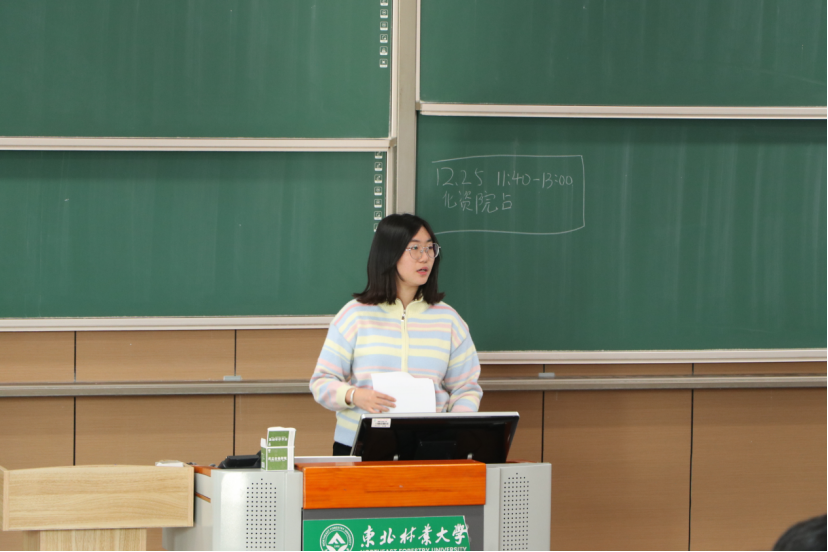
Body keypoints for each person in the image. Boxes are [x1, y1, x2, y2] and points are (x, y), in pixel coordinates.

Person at [310, 214, 483, 456]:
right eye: (415, 248)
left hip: (430, 447)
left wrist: (453, 430)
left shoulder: (449, 320)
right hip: (361, 446)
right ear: (389, 254)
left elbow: (466, 388)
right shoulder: (354, 315)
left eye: (430, 248)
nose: (425, 257)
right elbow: (321, 382)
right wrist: (355, 395)